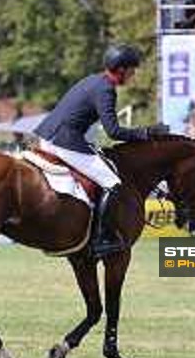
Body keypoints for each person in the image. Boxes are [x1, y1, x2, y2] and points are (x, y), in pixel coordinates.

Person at [34, 44, 169, 256]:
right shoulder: (106, 89)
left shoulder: (93, 80)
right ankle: (103, 238)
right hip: (63, 141)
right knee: (113, 182)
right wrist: (147, 133)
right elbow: (113, 131)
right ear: (122, 69)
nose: (133, 75)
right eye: (132, 70)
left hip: (51, 135)